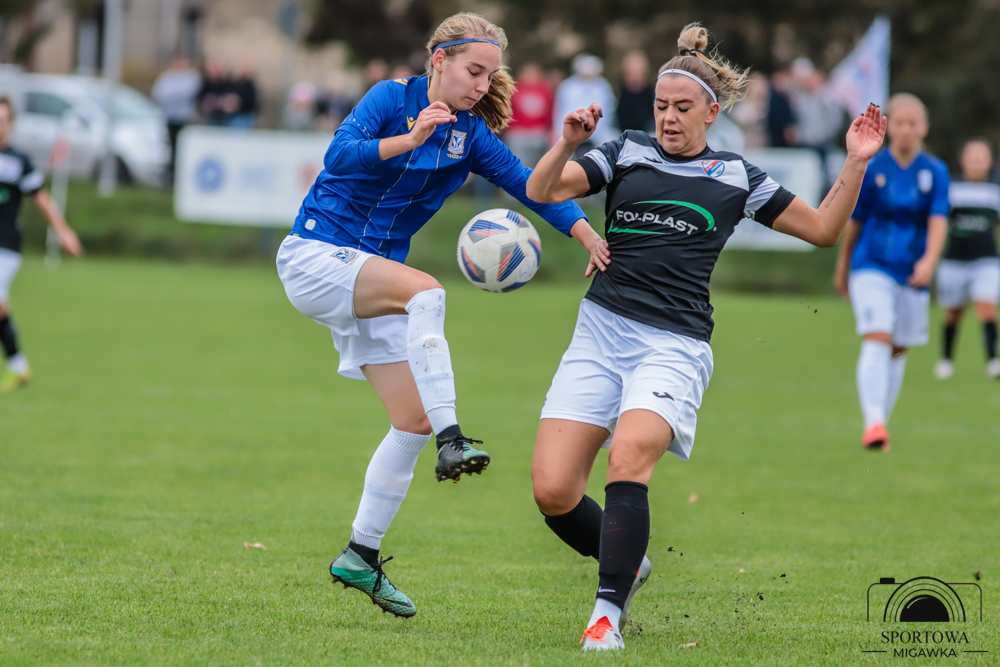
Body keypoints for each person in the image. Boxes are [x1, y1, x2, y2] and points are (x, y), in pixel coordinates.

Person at [525, 23, 885, 651]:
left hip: (673, 344)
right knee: (553, 491)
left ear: (712, 112)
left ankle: (606, 615)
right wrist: (567, 143)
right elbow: (542, 191)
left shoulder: (736, 175)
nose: (668, 118)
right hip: (599, 333)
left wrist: (854, 161)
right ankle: (629, 561)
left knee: (627, 458)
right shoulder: (625, 150)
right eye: (661, 105)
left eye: (682, 108)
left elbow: (824, 230)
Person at [275, 13, 604, 619]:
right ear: (439, 61)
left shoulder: (471, 137)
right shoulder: (389, 99)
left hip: (369, 277)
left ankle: (360, 554)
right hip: (314, 255)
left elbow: (531, 187)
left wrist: (587, 234)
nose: (481, 85)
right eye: (473, 71)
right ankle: (455, 440)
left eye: (489, 76)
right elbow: (338, 157)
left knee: (412, 421)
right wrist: (410, 138)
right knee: (427, 292)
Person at [834, 93, 949, 452]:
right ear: (890, 127)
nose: (906, 129)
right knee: (878, 336)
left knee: (898, 348)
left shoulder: (935, 172)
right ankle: (873, 422)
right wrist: (843, 264)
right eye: (900, 122)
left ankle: (879, 422)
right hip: (871, 265)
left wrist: (929, 261)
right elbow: (855, 220)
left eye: (913, 123)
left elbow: (938, 220)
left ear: (924, 128)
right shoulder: (873, 167)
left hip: (912, 271)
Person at [0, 96, 83, 391]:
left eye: (3, 120)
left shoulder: (19, 162)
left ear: (11, 124)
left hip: (6, 246)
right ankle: (19, 367)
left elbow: (41, 199)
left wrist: (63, 232)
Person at [934, 138, 1000, 379]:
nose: (977, 162)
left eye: (982, 157)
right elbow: (939, 224)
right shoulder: (951, 189)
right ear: (963, 160)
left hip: (986, 261)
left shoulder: (995, 192)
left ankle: (992, 361)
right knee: (953, 313)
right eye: (972, 157)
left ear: (989, 161)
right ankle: (946, 359)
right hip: (954, 261)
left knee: (987, 308)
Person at [553, 54, 617, 155]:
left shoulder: (603, 87)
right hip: (570, 128)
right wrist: (557, 130)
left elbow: (608, 110)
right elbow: (560, 110)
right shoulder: (567, 86)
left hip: (598, 132)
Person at [151, 56, 201, 182]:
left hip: (185, 119)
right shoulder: (167, 76)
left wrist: (171, 94)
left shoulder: (192, 77)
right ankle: (172, 174)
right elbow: (158, 93)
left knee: (184, 147)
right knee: (171, 147)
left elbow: (188, 92)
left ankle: (183, 173)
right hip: (170, 117)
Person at [503, 62, 554, 168]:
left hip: (539, 133)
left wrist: (549, 130)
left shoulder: (545, 90)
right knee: (519, 167)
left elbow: (550, 112)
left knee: (539, 167)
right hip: (519, 133)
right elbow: (507, 111)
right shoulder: (514, 90)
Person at [615, 50, 654, 133]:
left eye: (639, 72)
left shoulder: (654, 96)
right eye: (631, 73)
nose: (635, 77)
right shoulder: (616, 94)